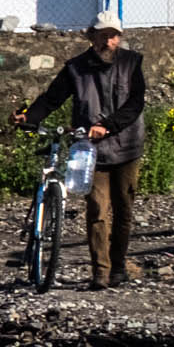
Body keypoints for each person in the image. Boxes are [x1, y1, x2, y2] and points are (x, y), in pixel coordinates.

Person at [18, 15, 148, 286]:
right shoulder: (75, 69)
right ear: (91, 36)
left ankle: (118, 266)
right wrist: (30, 118)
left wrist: (108, 126)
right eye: (105, 35)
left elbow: (135, 104)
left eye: (115, 35)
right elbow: (52, 98)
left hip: (127, 147)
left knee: (124, 211)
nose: (110, 41)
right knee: (97, 210)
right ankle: (100, 272)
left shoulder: (131, 62)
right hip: (91, 150)